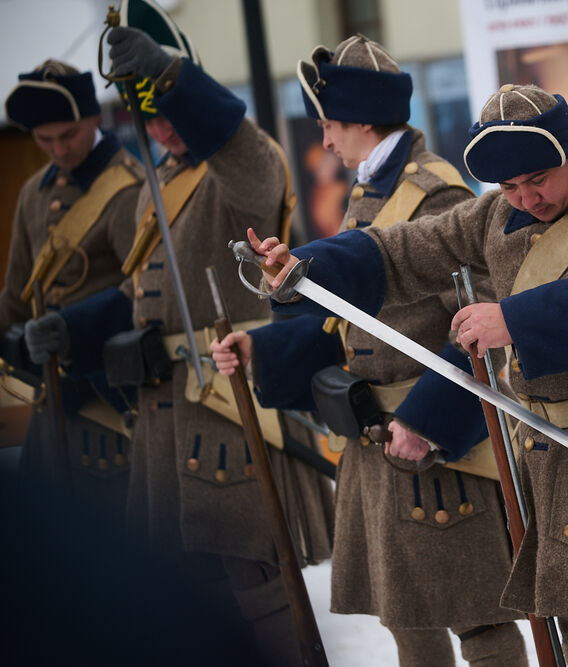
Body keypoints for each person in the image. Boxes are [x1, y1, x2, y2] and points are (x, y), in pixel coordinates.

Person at [252, 82, 568, 666]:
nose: (526, 198)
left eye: (538, 179)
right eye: (509, 186)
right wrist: (306, 266)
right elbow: (404, 251)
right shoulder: (497, 214)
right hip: (552, 463)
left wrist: (514, 319)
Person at [22, 3, 332, 664]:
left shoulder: (240, 164)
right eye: (150, 113)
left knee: (258, 584)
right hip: (164, 418)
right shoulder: (158, 181)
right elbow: (139, 296)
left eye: (169, 110)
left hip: (227, 402)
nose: (161, 128)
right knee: (194, 596)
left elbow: (237, 141)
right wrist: (69, 328)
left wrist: (172, 77)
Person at [211, 35, 528, 667]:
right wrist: (262, 349)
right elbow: (349, 324)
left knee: (480, 622)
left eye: (329, 124)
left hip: (438, 447)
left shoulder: (435, 195)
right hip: (378, 439)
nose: (325, 141)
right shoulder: (370, 192)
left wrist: (429, 420)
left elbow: (486, 328)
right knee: (407, 619)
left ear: (360, 120)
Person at [2, 59, 143, 508]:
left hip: (109, 403)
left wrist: (73, 331)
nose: (58, 150)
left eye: (68, 135)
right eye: (45, 139)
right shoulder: (34, 193)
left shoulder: (129, 188)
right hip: (51, 408)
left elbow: (146, 291)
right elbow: (17, 296)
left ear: (93, 118)